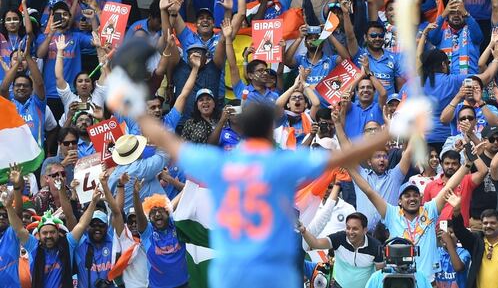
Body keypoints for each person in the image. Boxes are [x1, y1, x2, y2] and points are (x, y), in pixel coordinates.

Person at [137, 100, 406, 288]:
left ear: (240, 129)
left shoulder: (219, 163)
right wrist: (395, 128)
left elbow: (166, 140)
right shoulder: (282, 164)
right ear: (270, 131)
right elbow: (348, 154)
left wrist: (130, 102)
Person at [349, 148, 472, 283]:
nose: (412, 199)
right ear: (399, 201)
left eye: (415, 195)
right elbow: (369, 191)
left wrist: (467, 164)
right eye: (407, 196)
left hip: (427, 279)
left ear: (420, 198)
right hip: (399, 279)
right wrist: (349, 168)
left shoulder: (430, 209)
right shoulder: (391, 213)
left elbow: (449, 186)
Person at [299, 212, 384, 288]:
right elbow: (315, 243)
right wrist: (303, 231)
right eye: (348, 228)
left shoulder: (376, 247)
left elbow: (379, 275)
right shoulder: (339, 238)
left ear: (365, 230)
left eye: (355, 229)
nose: (350, 232)